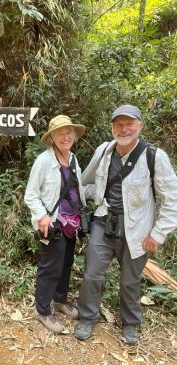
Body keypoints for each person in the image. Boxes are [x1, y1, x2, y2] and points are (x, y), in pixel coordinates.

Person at [74, 104, 177, 345]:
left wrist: (158, 233)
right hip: (103, 222)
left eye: (129, 124)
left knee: (130, 281)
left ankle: (131, 324)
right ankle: (88, 317)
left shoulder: (154, 157)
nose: (124, 129)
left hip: (138, 230)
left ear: (139, 125)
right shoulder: (104, 151)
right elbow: (86, 182)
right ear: (111, 128)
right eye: (118, 124)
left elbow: (172, 199)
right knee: (92, 275)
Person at [24, 115, 87, 333]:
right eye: (60, 133)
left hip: (72, 223)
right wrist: (42, 216)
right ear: (52, 137)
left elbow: (77, 191)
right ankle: (43, 311)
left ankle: (60, 300)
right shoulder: (43, 161)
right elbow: (30, 194)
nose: (66, 136)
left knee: (66, 263)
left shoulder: (74, 160)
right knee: (50, 267)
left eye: (69, 132)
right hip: (52, 224)